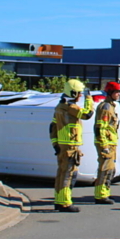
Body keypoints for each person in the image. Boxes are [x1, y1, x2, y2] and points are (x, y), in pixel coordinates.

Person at [49, 79, 94, 213]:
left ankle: (59, 200)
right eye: (79, 93)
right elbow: (87, 114)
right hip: (70, 146)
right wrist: (89, 98)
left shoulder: (59, 106)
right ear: (72, 93)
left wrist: (55, 144)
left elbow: (52, 127)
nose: (80, 95)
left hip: (63, 146)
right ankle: (65, 203)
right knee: (69, 175)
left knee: (61, 173)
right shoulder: (71, 107)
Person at [93, 81, 120, 205]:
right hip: (106, 144)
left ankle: (104, 193)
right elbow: (100, 128)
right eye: (116, 92)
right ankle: (101, 196)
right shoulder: (106, 107)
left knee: (109, 169)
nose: (119, 94)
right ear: (110, 93)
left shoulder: (110, 106)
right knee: (105, 170)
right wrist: (104, 145)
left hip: (110, 144)